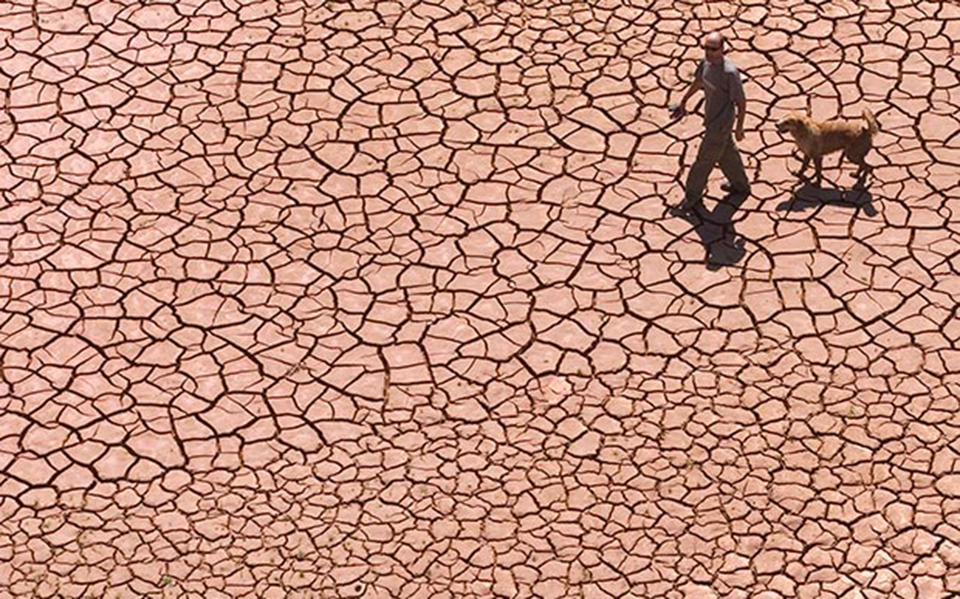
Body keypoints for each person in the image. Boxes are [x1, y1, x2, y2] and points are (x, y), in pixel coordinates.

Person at [670, 32, 750, 215]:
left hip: (720, 125)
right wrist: (684, 101)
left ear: (723, 49)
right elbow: (699, 82)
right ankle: (741, 186)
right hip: (712, 120)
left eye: (713, 49)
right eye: (706, 48)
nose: (709, 52)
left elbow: (741, 101)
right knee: (727, 153)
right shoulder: (705, 64)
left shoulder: (729, 73)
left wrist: (739, 127)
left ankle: (692, 197)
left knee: (703, 161)